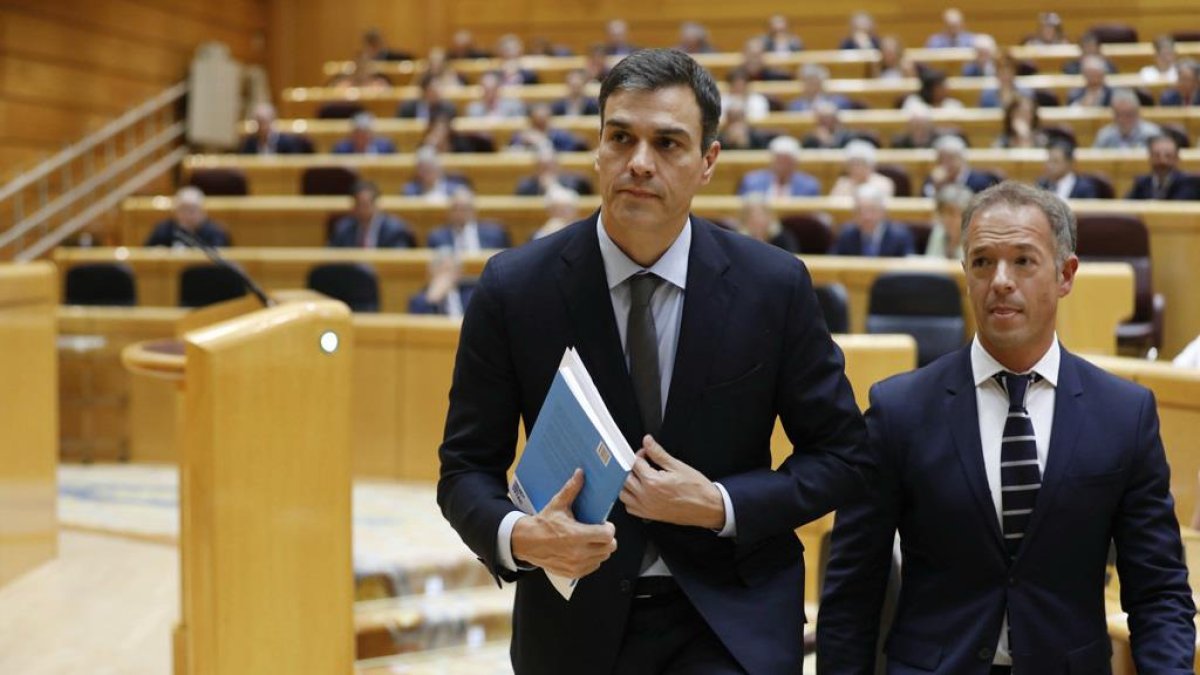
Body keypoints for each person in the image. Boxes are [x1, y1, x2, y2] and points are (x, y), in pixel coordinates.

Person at [437, 47, 870, 675]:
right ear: (598, 147)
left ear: (707, 162)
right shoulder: (513, 289)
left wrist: (721, 502)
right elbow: (465, 468)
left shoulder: (772, 286)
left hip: (731, 620)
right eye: (621, 138)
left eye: (668, 143)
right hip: (574, 623)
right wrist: (519, 537)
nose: (639, 163)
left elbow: (843, 457)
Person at [818, 180, 1196, 673]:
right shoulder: (900, 410)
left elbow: (1160, 591)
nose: (1000, 279)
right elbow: (852, 592)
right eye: (982, 262)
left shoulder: (1125, 414)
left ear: (1066, 274)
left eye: (1023, 260)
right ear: (965, 274)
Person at [830, 184, 915, 257]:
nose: (866, 217)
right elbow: (833, 262)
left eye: (872, 210)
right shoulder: (846, 234)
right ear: (854, 214)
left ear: (883, 212)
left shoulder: (900, 236)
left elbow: (909, 267)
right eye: (861, 211)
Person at [327, 180, 416, 248]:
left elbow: (398, 262)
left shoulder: (394, 230)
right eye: (358, 205)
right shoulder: (343, 228)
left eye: (365, 205)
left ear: (376, 205)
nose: (362, 210)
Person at [426, 186, 511, 251]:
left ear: (474, 211)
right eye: (455, 209)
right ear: (449, 212)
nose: (459, 214)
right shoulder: (437, 237)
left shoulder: (495, 234)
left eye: (464, 209)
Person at [736, 135, 821, 197]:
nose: (782, 166)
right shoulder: (751, 183)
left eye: (787, 162)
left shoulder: (809, 186)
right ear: (772, 161)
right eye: (779, 161)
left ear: (795, 164)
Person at [144, 186, 230, 247]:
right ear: (175, 211)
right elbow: (149, 252)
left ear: (203, 212)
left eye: (192, 210)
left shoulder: (216, 232)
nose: (187, 215)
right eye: (183, 209)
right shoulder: (163, 229)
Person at [922, 135, 1001, 197]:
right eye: (941, 160)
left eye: (950, 159)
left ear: (962, 159)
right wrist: (936, 187)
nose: (945, 164)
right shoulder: (932, 181)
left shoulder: (981, 182)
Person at [1127, 134, 1200, 200]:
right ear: (1150, 158)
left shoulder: (1189, 183)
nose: (1162, 161)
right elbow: (1127, 205)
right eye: (1157, 156)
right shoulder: (1142, 183)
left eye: (1168, 156)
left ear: (1176, 159)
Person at [407, 248, 477, 316]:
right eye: (444, 270)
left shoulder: (470, 296)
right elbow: (418, 324)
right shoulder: (418, 301)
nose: (448, 276)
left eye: (453, 269)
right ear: (433, 272)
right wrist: (432, 300)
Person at [1093, 89, 1162, 149]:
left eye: (1129, 115)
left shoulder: (1152, 134)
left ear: (1137, 114)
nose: (1124, 120)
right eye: (1119, 115)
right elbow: (1093, 162)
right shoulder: (1105, 136)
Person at [1036, 141, 1105, 199]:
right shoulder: (1042, 184)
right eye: (1048, 160)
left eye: (1055, 161)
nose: (1049, 166)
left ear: (1069, 163)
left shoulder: (1084, 189)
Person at [514, 145, 593, 196]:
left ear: (557, 167)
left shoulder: (576, 182)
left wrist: (554, 187)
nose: (547, 172)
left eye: (550, 167)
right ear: (536, 169)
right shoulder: (526, 187)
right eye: (543, 167)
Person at [238, 103, 312, 155]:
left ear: (272, 121)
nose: (261, 126)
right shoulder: (249, 143)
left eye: (264, 122)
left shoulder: (287, 142)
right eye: (258, 122)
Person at [829, 140, 895, 198]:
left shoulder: (884, 184)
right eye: (852, 164)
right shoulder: (842, 184)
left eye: (860, 164)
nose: (856, 169)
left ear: (870, 166)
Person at [401, 145, 472, 199]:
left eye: (430, 169)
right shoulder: (409, 191)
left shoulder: (456, 190)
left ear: (438, 169)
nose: (426, 174)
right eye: (423, 170)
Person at [924, 183, 972, 259]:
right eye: (943, 213)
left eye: (952, 214)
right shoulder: (939, 231)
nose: (947, 219)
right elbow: (930, 262)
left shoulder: (974, 238)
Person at [331, 112, 397, 154]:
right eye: (358, 134)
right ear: (352, 134)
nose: (361, 138)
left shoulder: (386, 148)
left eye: (365, 133)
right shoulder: (341, 149)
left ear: (371, 134)